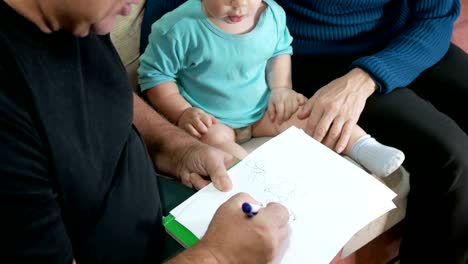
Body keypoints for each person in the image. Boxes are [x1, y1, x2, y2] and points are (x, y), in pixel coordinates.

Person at [0, 0, 290, 263]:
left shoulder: (76, 15)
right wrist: (219, 256)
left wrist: (175, 148)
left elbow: (105, 94)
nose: (132, 8)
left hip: (160, 212)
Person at [271, 0, 468, 263]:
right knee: (450, 153)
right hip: (314, 56)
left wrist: (365, 78)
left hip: (401, 37)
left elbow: (436, 16)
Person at [137, 0, 405, 178]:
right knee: (215, 143)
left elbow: (280, 51)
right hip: (211, 118)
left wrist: (281, 89)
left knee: (309, 113)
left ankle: (363, 146)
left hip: (262, 108)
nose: (239, 5)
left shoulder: (271, 14)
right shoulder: (179, 27)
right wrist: (183, 112)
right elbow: (155, 76)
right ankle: (256, 179)